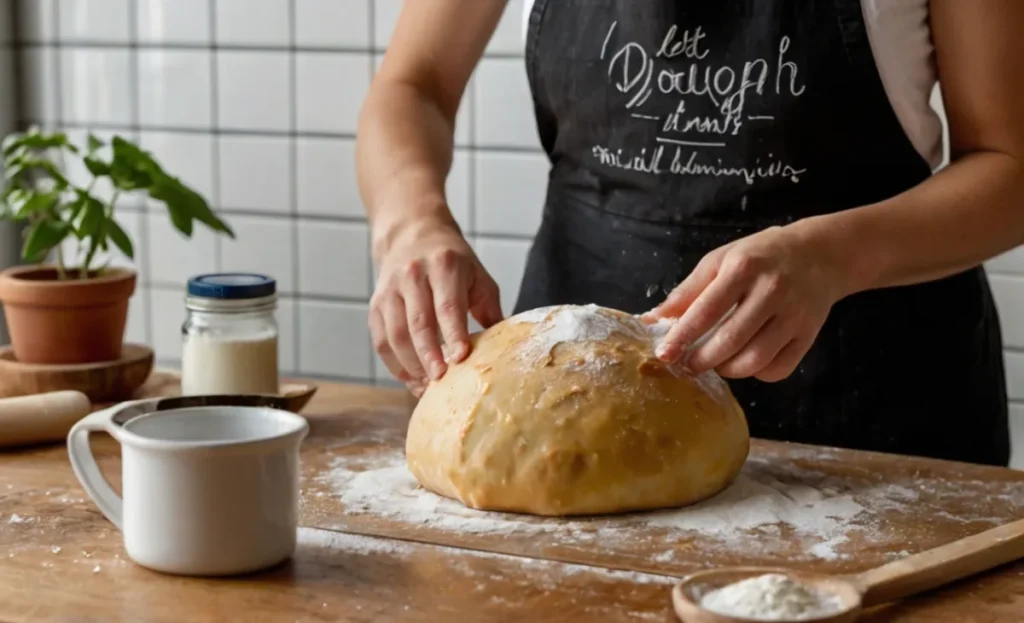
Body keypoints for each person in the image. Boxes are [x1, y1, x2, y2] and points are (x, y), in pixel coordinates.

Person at [356, 0, 1024, 467]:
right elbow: (413, 83)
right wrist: (410, 223)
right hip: (570, 417)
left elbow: (1009, 163)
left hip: (876, 415)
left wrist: (833, 255)